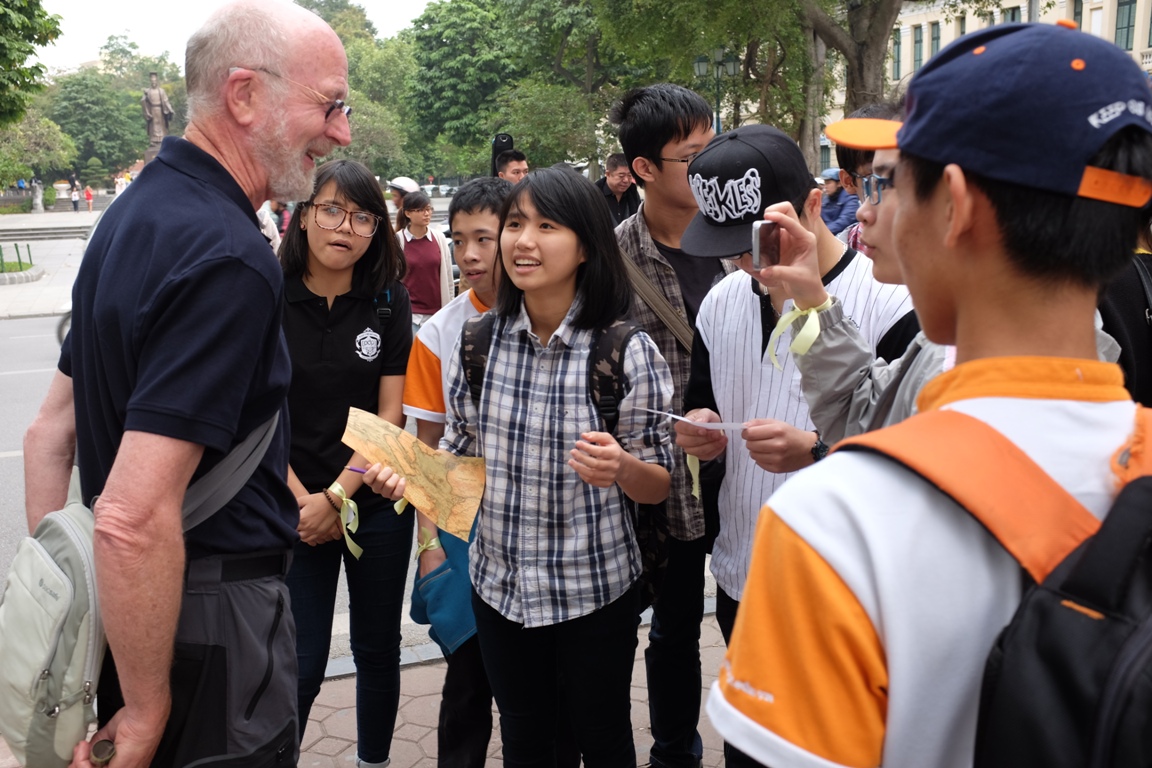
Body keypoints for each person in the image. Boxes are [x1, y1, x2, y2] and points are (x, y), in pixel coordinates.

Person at [708, 21, 1152, 768]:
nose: (875, 210)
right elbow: (863, 405)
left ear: (956, 205)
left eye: (890, 182)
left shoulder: (833, 522)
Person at [19, 3, 404, 767]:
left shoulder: (134, 217)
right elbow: (130, 515)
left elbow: (48, 434)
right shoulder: (230, 256)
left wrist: (77, 610)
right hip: (207, 623)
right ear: (244, 96)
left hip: (140, 613)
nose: (343, 133)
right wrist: (148, 706)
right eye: (330, 105)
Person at [439, 166, 674, 765]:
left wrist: (621, 466)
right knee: (523, 738)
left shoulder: (622, 350)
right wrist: (406, 477)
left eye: (547, 225)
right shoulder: (476, 343)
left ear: (586, 246)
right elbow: (461, 459)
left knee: (602, 739)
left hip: (593, 591)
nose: (524, 241)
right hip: (500, 590)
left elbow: (658, 485)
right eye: (515, 223)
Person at [279, 159, 412, 768]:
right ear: (304, 216)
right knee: (299, 662)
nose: (346, 227)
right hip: (291, 507)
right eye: (331, 209)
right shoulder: (266, 294)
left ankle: (374, 760)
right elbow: (252, 415)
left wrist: (338, 496)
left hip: (374, 501)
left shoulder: (386, 301)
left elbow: (390, 416)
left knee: (377, 650)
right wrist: (308, 502)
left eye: (363, 216)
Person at [609, 81, 720, 768]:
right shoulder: (614, 258)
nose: (710, 169)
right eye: (692, 156)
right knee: (673, 626)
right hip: (661, 481)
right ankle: (673, 749)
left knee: (754, 616)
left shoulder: (744, 242)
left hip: (750, 468)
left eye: (715, 149)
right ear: (644, 169)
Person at [402, 176, 510, 767]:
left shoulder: (555, 317)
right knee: (467, 684)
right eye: (459, 239)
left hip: (535, 531)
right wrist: (429, 547)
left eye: (483, 239)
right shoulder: (438, 332)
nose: (468, 255)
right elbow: (427, 450)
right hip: (463, 530)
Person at [397, 189, 453, 337]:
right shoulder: (398, 241)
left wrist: (449, 309)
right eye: (421, 210)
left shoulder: (439, 239)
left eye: (428, 209)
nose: (427, 214)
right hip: (410, 315)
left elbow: (448, 277)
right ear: (408, 213)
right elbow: (393, 280)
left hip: (438, 315)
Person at [596, 153, 641, 227]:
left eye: (629, 175)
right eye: (621, 176)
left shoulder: (632, 193)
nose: (626, 180)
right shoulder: (594, 194)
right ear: (608, 174)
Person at [818, 166, 858, 236]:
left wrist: (822, 233)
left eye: (828, 183)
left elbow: (844, 221)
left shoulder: (851, 198)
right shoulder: (826, 199)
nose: (825, 187)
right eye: (825, 183)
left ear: (839, 183)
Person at [142, 71, 176, 147]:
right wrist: (147, 112)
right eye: (152, 81)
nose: (153, 82)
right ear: (150, 82)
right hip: (152, 110)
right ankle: (153, 141)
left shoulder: (161, 91)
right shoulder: (148, 91)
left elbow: (165, 101)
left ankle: (162, 140)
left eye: (155, 81)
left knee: (161, 126)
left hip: (160, 110)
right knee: (153, 126)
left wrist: (170, 109)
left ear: (157, 81)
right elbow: (143, 101)